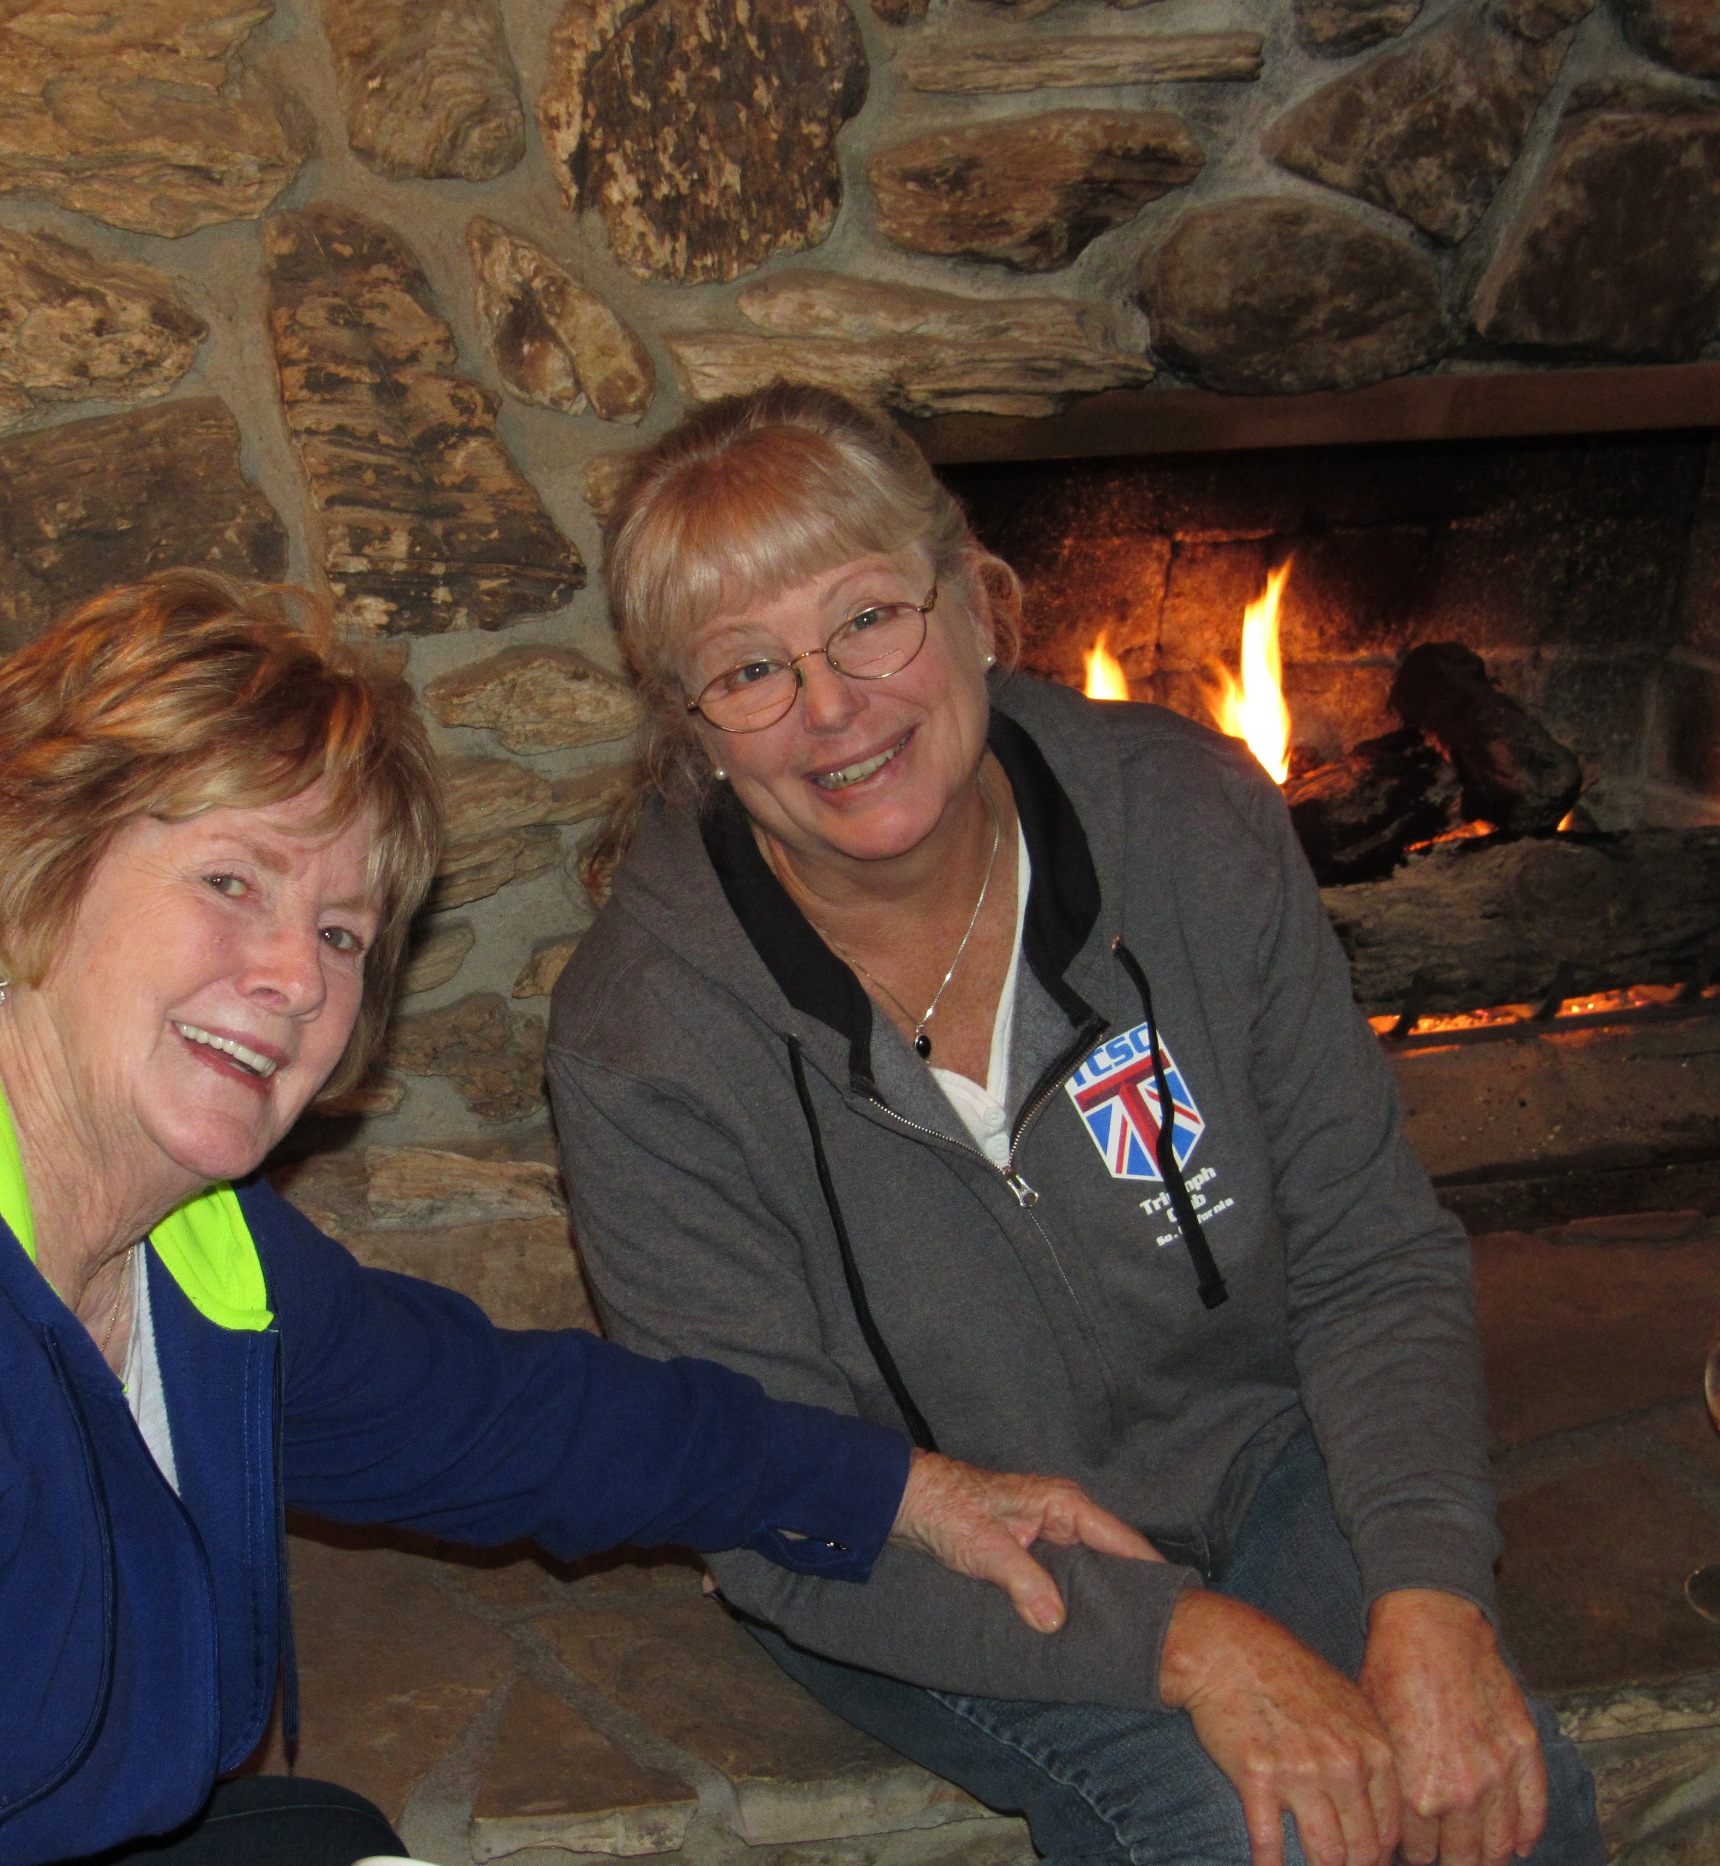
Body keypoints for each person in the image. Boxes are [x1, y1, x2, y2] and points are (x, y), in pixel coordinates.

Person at [0, 569, 1153, 1866]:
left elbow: (509, 1418)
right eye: (233, 880)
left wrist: (895, 1488)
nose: (297, 974)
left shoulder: (165, 1243)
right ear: (35, 871)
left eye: (344, 929)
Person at [547, 386, 1604, 1866]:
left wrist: (1431, 1595)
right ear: (694, 729)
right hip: (918, 1553)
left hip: (1263, 1455)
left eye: (869, 619)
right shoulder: (645, 1035)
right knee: (1243, 1833)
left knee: (1499, 1798)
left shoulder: (1185, 816)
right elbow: (763, 1490)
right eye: (749, 669)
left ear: (977, 604)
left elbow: (1368, 1252)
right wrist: (1188, 1641)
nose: (831, 706)